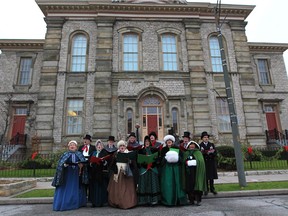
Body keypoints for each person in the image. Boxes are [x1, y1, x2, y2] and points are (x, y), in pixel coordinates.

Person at [52, 140, 88, 211]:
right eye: (71, 145)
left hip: (76, 175)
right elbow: (60, 165)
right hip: (67, 175)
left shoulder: (80, 154)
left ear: (76, 147)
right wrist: (64, 165)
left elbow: (84, 164)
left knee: (76, 188)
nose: (72, 146)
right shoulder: (65, 154)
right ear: (68, 147)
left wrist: (82, 166)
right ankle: (66, 204)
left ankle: (75, 203)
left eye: (73, 145)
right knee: (67, 189)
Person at [107, 140, 137, 209]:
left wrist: (129, 160)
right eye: (120, 146)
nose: (122, 147)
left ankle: (127, 203)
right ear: (119, 147)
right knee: (117, 188)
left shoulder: (129, 153)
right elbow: (112, 164)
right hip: (117, 173)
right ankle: (116, 202)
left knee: (126, 189)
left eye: (123, 146)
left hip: (126, 173)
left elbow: (133, 164)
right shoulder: (116, 154)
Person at [160, 134, 187, 206]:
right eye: (167, 141)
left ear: (172, 142)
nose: (169, 142)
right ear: (166, 142)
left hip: (176, 169)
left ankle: (178, 199)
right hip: (167, 169)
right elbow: (161, 160)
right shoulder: (163, 150)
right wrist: (165, 158)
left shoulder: (177, 149)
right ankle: (169, 200)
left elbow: (181, 159)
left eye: (170, 141)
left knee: (177, 183)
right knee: (168, 184)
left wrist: (177, 158)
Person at [137, 136, 161, 206]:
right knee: (144, 183)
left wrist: (156, 160)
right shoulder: (141, 150)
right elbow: (138, 161)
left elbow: (158, 160)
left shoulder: (155, 150)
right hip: (144, 169)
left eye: (148, 141)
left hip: (152, 168)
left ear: (150, 142)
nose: (147, 143)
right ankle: (143, 200)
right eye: (146, 142)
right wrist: (142, 162)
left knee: (153, 183)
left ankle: (154, 200)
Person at [182, 141, 206, 206]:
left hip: (196, 172)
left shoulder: (198, 153)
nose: (192, 146)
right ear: (188, 146)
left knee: (197, 186)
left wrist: (194, 162)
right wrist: (186, 162)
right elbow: (183, 161)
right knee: (189, 186)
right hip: (188, 173)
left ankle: (198, 200)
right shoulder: (186, 153)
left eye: (193, 145)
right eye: (190, 145)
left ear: (195, 146)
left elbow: (201, 162)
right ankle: (191, 200)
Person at [89, 139, 110, 207]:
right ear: (96, 146)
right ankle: (94, 202)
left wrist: (103, 162)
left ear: (102, 146)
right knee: (94, 187)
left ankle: (101, 202)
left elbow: (107, 163)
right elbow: (90, 161)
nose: (99, 146)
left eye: (100, 145)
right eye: (98, 145)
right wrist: (91, 163)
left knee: (101, 188)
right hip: (94, 172)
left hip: (101, 172)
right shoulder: (93, 153)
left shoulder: (104, 153)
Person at [78, 134, 96, 201]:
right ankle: (83, 197)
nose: (85, 141)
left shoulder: (93, 147)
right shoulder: (81, 147)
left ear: (90, 141)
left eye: (87, 140)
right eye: (84, 139)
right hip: (82, 166)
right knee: (82, 182)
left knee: (90, 181)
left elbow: (94, 156)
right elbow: (78, 155)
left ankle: (90, 197)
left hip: (89, 166)